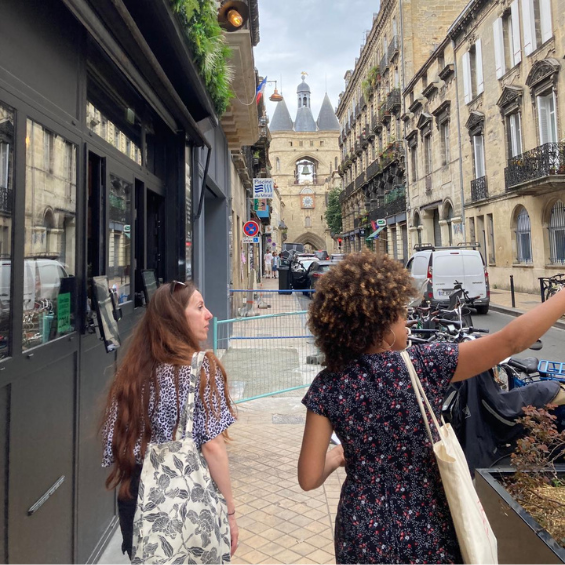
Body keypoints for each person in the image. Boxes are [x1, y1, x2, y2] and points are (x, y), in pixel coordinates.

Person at [298, 250, 565, 564]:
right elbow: (512, 341)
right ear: (381, 327)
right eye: (399, 313)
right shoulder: (427, 365)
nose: (407, 320)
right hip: (427, 524)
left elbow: (309, 477)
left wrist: (338, 455)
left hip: (361, 532)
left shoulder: (327, 385)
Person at [102, 281, 238, 560]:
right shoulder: (199, 369)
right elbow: (212, 448)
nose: (209, 314)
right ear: (176, 318)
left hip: (136, 499)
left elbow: (113, 445)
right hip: (185, 502)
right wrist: (230, 511)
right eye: (199, 307)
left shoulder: (130, 374)